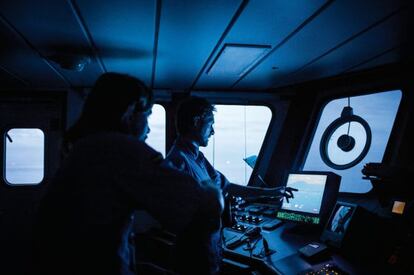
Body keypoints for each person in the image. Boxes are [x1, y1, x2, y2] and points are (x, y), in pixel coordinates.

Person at [32, 73, 223, 275]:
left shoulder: (84, 146)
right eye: (148, 115)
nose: (148, 128)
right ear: (130, 112)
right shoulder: (116, 147)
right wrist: (213, 188)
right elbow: (205, 205)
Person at [163, 96, 297, 274]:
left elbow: (228, 186)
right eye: (210, 124)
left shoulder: (197, 158)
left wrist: (271, 192)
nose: (212, 132)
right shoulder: (177, 162)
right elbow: (175, 216)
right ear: (196, 122)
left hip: (211, 249)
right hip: (194, 256)